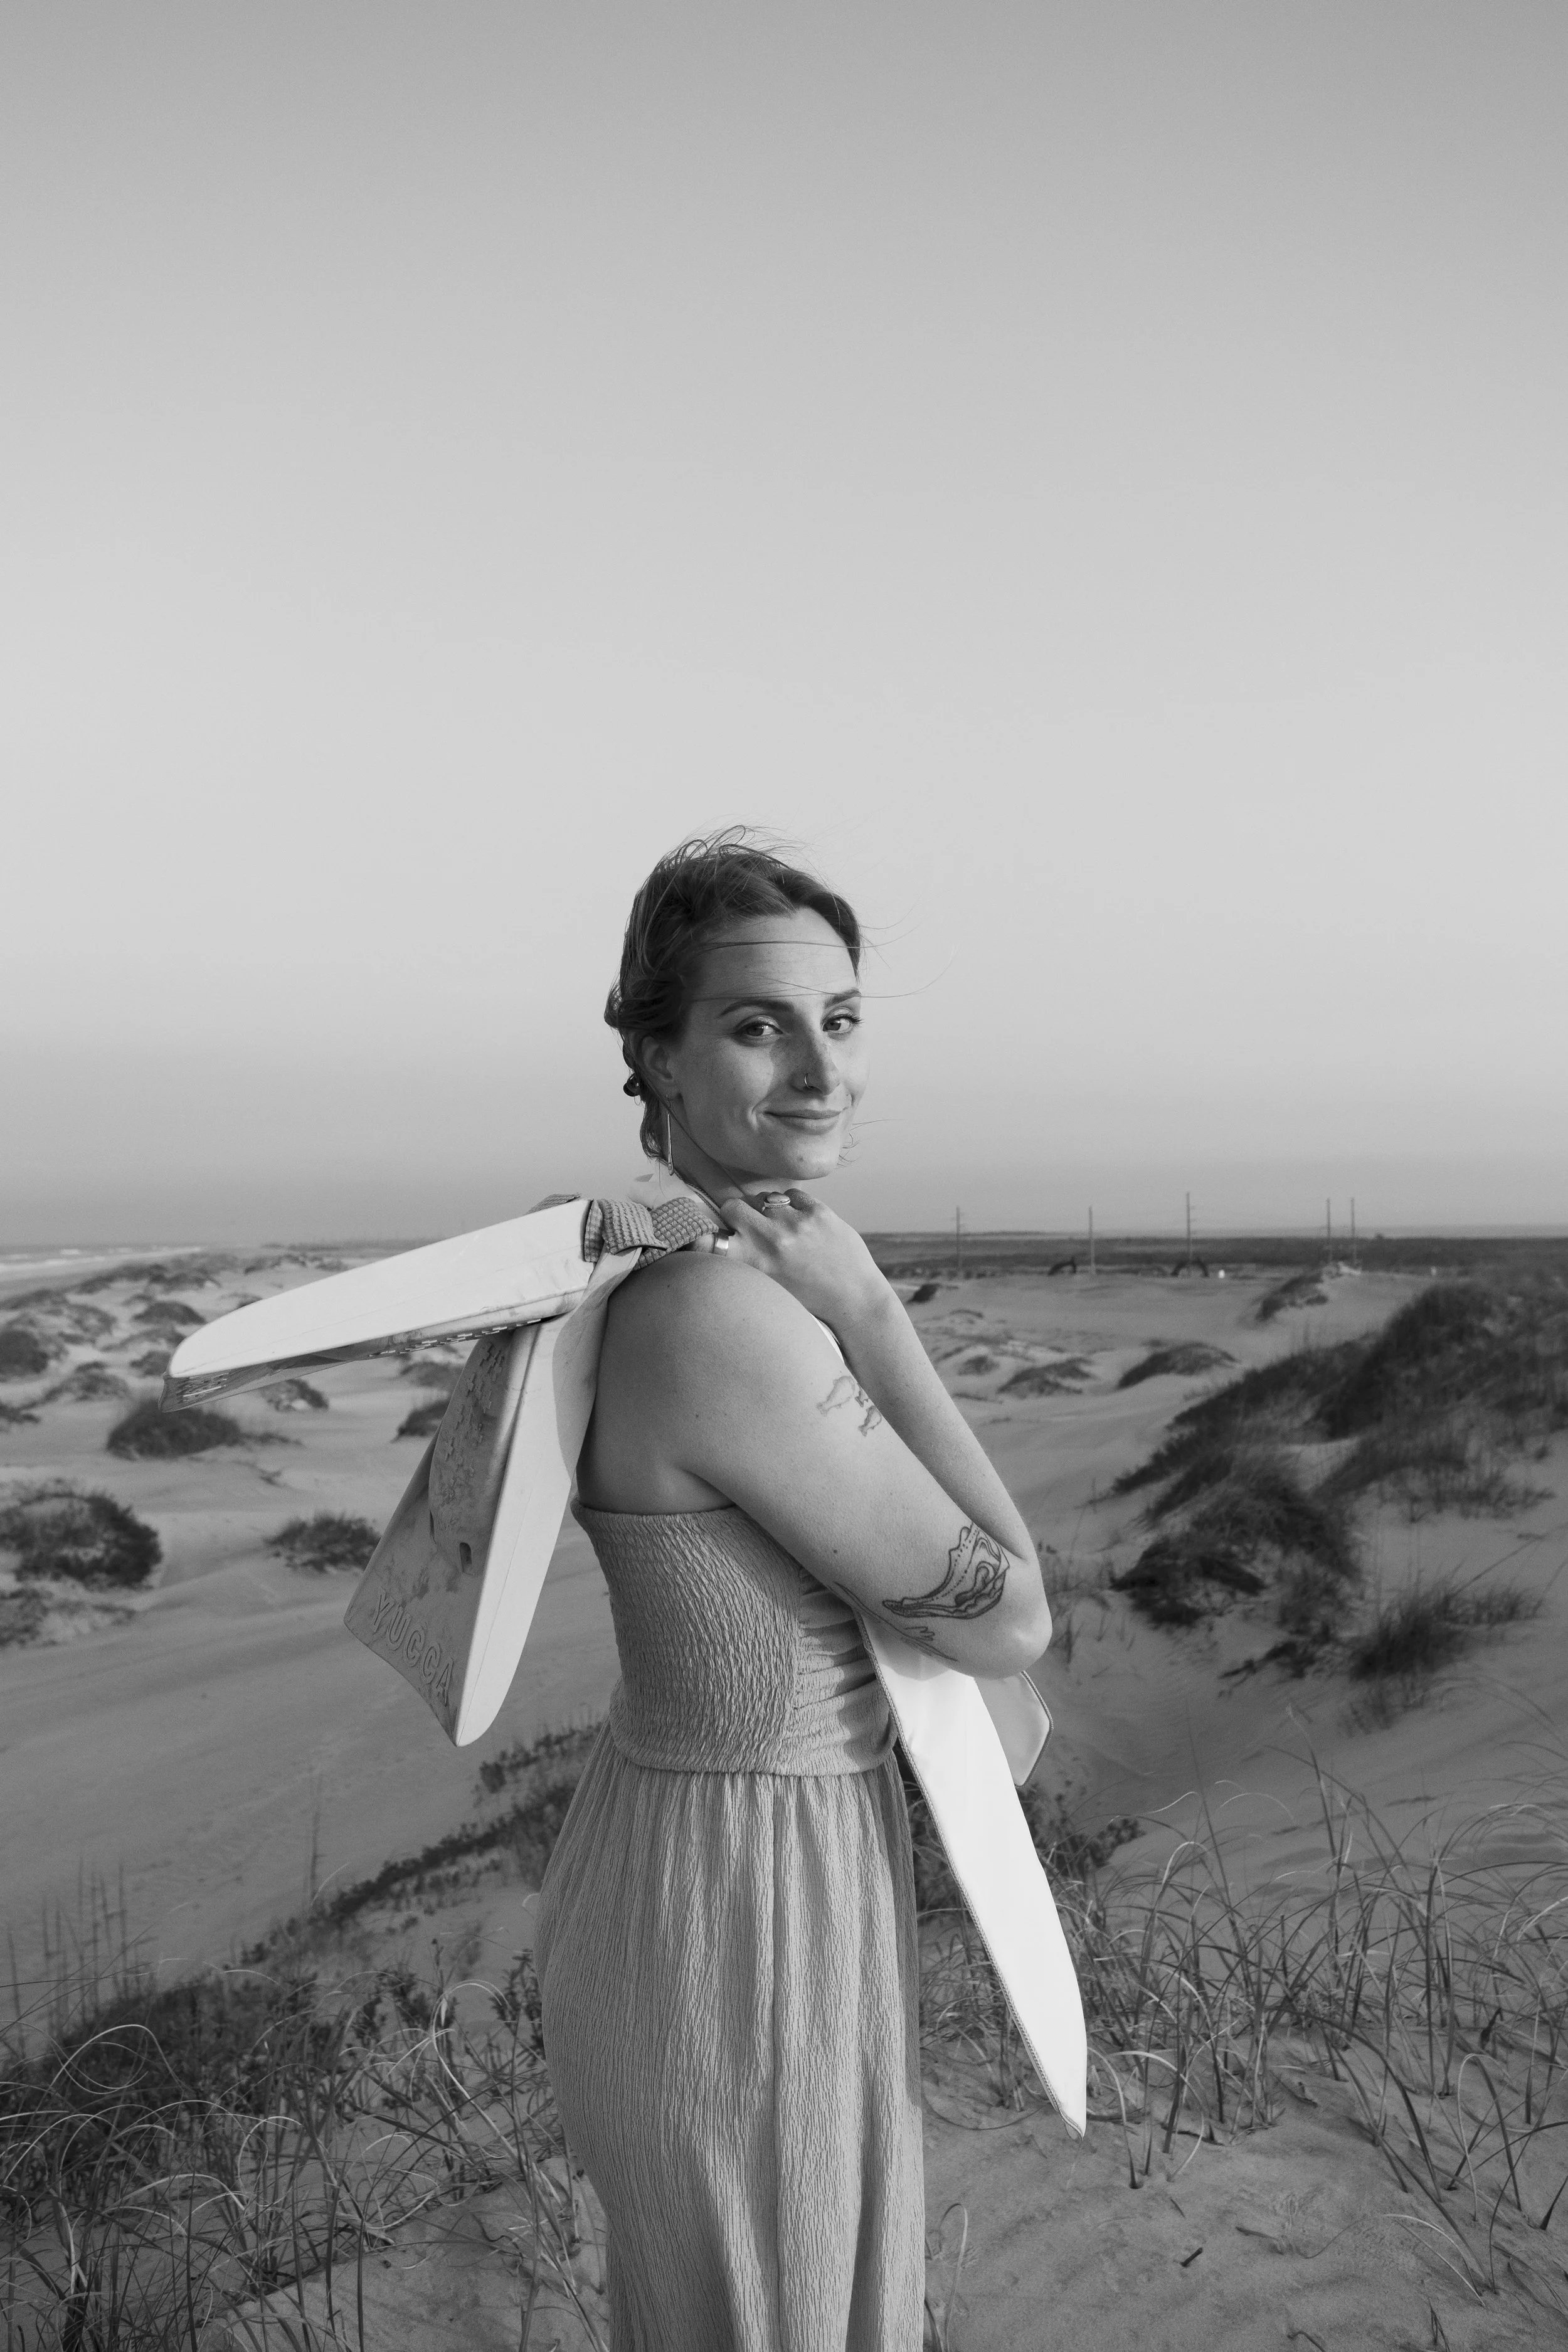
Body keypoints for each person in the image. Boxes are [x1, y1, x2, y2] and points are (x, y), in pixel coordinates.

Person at [532, 833, 1051, 2352]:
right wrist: (874, 1310)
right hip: (743, 1903)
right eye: (760, 1026)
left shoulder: (665, 1276)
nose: (821, 1071)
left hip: (705, 1852)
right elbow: (1009, 1616)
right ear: (658, 1057)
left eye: (842, 1019)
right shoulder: (720, 1317)